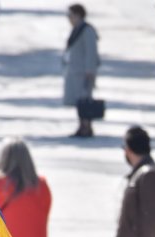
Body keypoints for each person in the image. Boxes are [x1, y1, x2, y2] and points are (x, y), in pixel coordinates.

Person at [62, 3, 100, 138]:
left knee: (85, 102)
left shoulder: (86, 30)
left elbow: (91, 52)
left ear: (78, 15)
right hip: (76, 72)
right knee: (80, 102)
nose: (69, 19)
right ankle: (82, 126)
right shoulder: (77, 29)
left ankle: (86, 127)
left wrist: (90, 71)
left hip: (84, 73)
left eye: (70, 15)